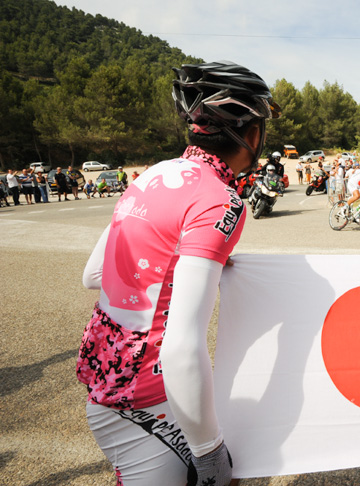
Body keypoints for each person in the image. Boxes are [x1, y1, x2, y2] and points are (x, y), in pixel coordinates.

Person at [76, 60, 280, 486]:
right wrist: (209, 453)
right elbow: (181, 347)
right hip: (149, 398)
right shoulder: (221, 201)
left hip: (107, 376)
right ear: (253, 134)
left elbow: (95, 274)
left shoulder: (154, 173)